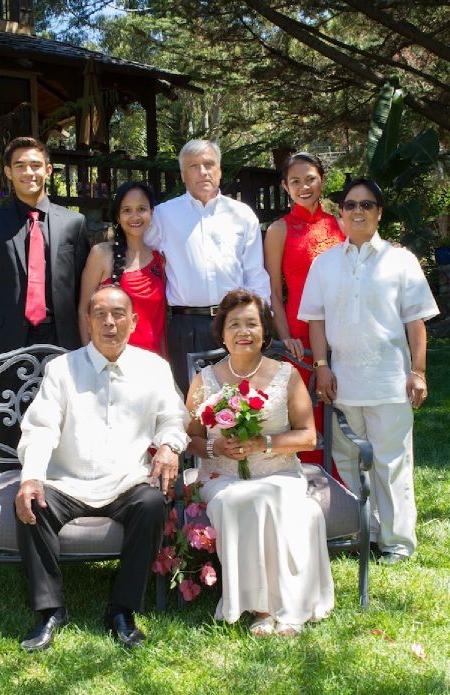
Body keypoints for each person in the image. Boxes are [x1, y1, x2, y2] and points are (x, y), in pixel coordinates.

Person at [15, 284, 189, 651]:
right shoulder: (63, 369)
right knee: (31, 503)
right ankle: (51, 611)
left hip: (127, 480)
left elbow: (174, 419)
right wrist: (31, 476)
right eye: (100, 315)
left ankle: (122, 610)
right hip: (68, 480)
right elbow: (41, 426)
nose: (109, 323)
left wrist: (171, 446)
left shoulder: (154, 368)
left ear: (134, 321)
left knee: (152, 504)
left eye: (118, 315)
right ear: (88, 322)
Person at [298, 178, 439, 565]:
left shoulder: (401, 261)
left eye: (366, 204)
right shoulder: (324, 263)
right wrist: (321, 367)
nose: (357, 211)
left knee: (391, 464)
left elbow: (415, 323)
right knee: (349, 463)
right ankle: (369, 530)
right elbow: (316, 320)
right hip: (342, 383)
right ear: (340, 213)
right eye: (350, 205)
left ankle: (397, 542)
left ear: (379, 212)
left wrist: (419, 371)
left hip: (390, 381)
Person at [185, 289, 334, 636]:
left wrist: (263, 442)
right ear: (221, 333)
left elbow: (308, 437)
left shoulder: (286, 375)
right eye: (234, 324)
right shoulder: (205, 380)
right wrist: (215, 447)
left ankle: (292, 607)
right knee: (237, 500)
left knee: (279, 501)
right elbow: (188, 437)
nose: (243, 332)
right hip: (221, 475)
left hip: (279, 471)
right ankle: (261, 609)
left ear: (265, 332)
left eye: (252, 324)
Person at [0, 136, 90, 454]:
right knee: (12, 422)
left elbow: (82, 284)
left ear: (48, 170)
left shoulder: (73, 223)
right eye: (20, 166)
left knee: (67, 417)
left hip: (61, 336)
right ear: (8, 172)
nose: (28, 172)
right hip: (10, 338)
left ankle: (63, 484)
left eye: (35, 165)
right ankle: (11, 482)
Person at [145, 139, 271, 395]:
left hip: (235, 321)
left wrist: (260, 322)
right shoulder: (163, 215)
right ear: (183, 174)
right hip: (186, 324)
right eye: (193, 166)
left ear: (219, 170)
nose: (202, 171)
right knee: (194, 402)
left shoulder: (242, 215)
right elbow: (141, 253)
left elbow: (255, 274)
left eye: (208, 164)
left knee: (241, 400)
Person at [264, 152, 345, 467]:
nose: (304, 186)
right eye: (295, 181)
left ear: (322, 180)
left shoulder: (340, 224)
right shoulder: (279, 230)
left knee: (343, 409)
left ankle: (346, 489)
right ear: (285, 186)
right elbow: (273, 290)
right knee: (306, 412)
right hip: (299, 334)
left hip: (341, 328)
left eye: (310, 178)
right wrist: (286, 337)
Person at [78, 181, 166, 356]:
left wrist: (166, 364)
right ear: (118, 216)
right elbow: (83, 311)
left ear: (151, 212)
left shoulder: (160, 260)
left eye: (141, 209)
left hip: (152, 362)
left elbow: (161, 323)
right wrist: (89, 360)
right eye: (127, 210)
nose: (135, 216)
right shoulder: (101, 254)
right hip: (110, 361)